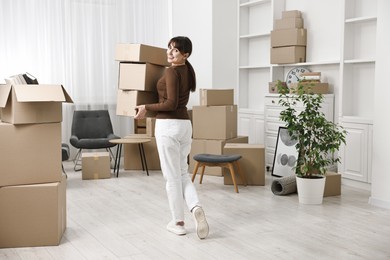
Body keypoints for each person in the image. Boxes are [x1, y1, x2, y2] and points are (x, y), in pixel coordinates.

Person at [134, 36, 209, 239]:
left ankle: (178, 222)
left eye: (175, 50)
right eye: (169, 48)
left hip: (168, 126)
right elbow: (178, 104)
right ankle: (195, 208)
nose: (169, 52)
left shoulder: (171, 71)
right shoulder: (188, 71)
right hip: (185, 126)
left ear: (185, 54)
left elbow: (170, 104)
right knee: (183, 174)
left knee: (172, 178)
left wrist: (145, 107)